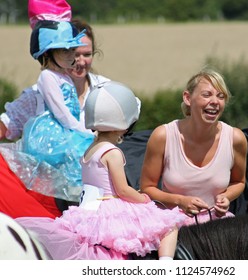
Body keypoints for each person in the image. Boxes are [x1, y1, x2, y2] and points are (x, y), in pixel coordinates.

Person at [16, 81, 186, 260]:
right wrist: (143, 198)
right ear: (124, 123)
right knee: (168, 225)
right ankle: (166, 266)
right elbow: (122, 190)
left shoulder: (90, 149)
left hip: (87, 211)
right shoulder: (112, 152)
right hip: (110, 208)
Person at [0, 18, 110, 218]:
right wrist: (85, 132)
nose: (74, 57)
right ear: (49, 53)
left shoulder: (67, 78)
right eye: (67, 51)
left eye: (78, 52)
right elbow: (62, 113)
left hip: (69, 129)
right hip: (53, 134)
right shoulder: (47, 78)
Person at [140, 69, 248, 225]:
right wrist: (179, 201)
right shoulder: (163, 136)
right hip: (171, 226)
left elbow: (239, 182)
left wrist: (227, 197)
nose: (215, 101)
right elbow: (147, 188)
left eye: (221, 96)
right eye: (207, 95)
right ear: (188, 98)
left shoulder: (235, 139)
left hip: (215, 226)